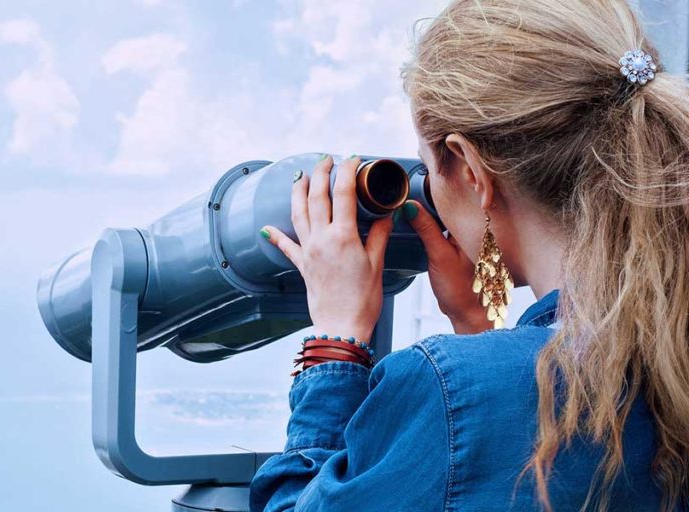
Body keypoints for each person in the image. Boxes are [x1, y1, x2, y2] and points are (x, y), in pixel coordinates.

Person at [252, 0, 689, 510]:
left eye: (430, 168)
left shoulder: (446, 387)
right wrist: (478, 333)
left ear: (469, 169)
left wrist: (337, 340)